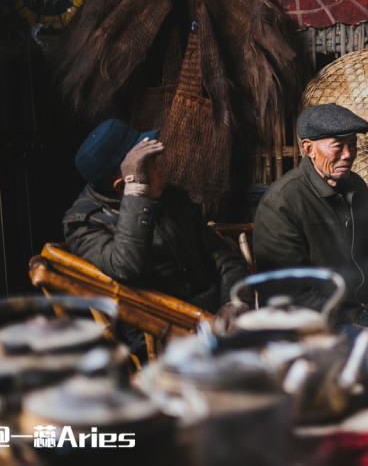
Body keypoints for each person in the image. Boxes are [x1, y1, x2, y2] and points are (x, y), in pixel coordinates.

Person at [63, 119, 248, 354]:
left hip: (213, 314)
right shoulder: (83, 223)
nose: (162, 168)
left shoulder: (171, 197)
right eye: (149, 164)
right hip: (159, 334)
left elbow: (222, 255)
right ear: (123, 186)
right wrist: (137, 193)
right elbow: (127, 268)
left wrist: (235, 302)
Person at [252, 103, 368, 329]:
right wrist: (349, 327)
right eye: (338, 147)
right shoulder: (282, 201)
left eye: (353, 145)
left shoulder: (356, 187)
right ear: (308, 149)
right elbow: (286, 291)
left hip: (362, 310)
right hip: (314, 322)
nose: (348, 155)